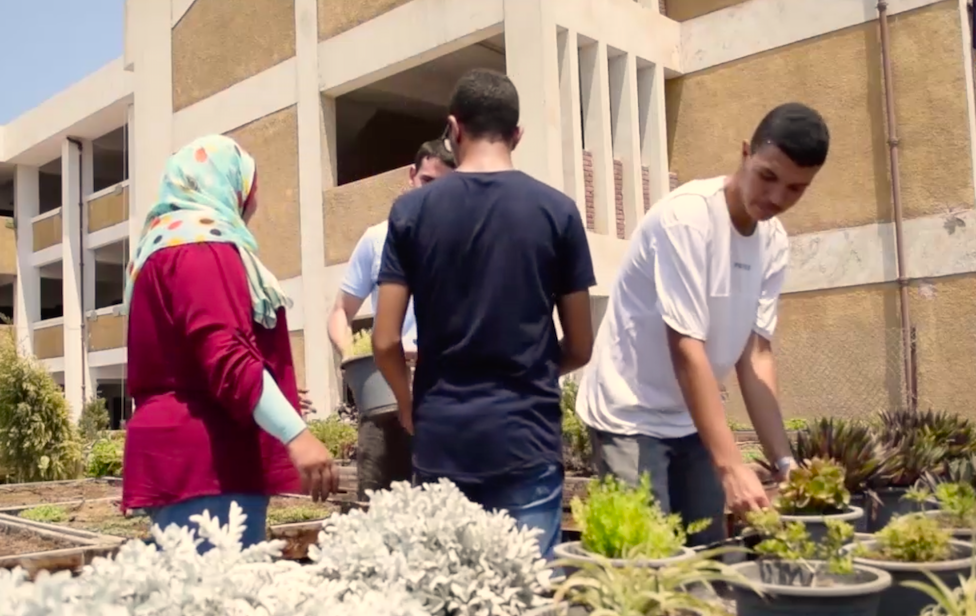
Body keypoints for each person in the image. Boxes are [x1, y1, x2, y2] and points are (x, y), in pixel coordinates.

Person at [575, 102, 830, 547]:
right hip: (629, 412)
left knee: (709, 555)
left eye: (795, 189)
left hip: (689, 417)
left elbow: (756, 356)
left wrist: (785, 464)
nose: (776, 198)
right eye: (768, 176)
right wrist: (732, 466)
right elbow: (687, 349)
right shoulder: (688, 218)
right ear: (746, 153)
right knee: (644, 562)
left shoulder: (773, 242)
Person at [373, 69, 596, 558]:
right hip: (526, 437)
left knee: (446, 611)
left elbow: (385, 340)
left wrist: (408, 403)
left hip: (442, 437)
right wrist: (534, 369)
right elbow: (581, 344)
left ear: (453, 129)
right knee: (528, 608)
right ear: (517, 134)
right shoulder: (557, 212)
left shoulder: (411, 213)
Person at [120, 134, 337, 552]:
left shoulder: (162, 248)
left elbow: (190, 358)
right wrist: (297, 435)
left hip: (184, 458)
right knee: (218, 611)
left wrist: (278, 395)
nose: (253, 204)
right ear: (226, 186)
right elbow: (226, 354)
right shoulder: (201, 247)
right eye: (250, 190)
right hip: (207, 462)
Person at [326, 139, 455, 500]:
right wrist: (351, 354)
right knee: (378, 510)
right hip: (383, 397)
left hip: (441, 396)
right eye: (427, 182)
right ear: (411, 177)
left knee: (442, 511)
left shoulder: (464, 239)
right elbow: (340, 312)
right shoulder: (377, 239)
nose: (433, 195)